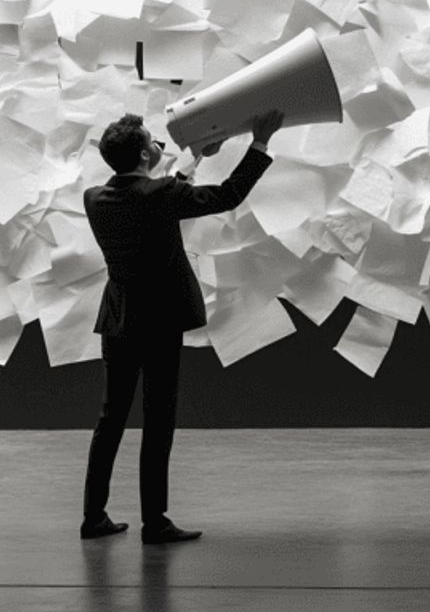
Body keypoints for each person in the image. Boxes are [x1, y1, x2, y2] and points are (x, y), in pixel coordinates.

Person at [79, 108, 284, 544]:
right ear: (142, 152)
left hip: (117, 319)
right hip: (159, 322)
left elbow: (156, 193)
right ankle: (154, 522)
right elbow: (227, 195)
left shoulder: (94, 198)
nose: (160, 146)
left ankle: (93, 518)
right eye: (154, 142)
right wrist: (260, 143)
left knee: (110, 419)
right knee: (158, 421)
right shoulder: (159, 195)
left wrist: (196, 159)